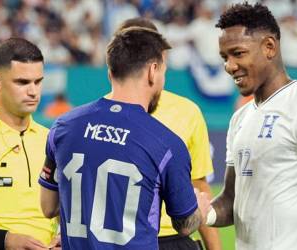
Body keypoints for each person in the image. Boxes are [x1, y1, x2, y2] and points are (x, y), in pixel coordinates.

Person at [38, 27, 210, 249]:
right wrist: (201, 211)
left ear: (110, 73)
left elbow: (48, 207)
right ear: (153, 71)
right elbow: (185, 224)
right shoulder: (167, 144)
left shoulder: (63, 127)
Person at [207, 3, 297, 250]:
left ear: (269, 47)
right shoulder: (239, 118)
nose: (230, 66)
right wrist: (202, 214)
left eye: (238, 53)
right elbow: (231, 200)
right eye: (225, 57)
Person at [113, 17, 222, 250]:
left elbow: (198, 186)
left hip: (172, 237)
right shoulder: (97, 116)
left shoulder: (188, 112)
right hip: (117, 237)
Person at [0, 38, 58, 249]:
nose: (33, 92)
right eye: (22, 82)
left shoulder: (52, 140)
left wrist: (65, 237)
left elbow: (68, 208)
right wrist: (4, 240)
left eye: (38, 81)